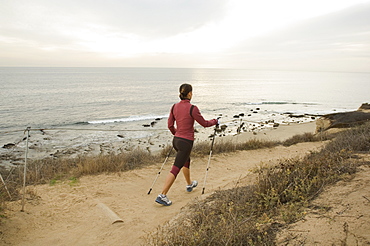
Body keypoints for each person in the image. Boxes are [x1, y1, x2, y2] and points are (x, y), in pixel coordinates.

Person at [155, 83, 219, 206]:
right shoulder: (192, 108)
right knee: (175, 168)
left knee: (186, 161)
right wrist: (215, 121)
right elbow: (204, 123)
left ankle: (189, 184)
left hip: (176, 141)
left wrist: (177, 133)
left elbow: (169, 125)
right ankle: (162, 195)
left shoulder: (174, 107)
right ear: (189, 93)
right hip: (186, 142)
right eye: (192, 92)